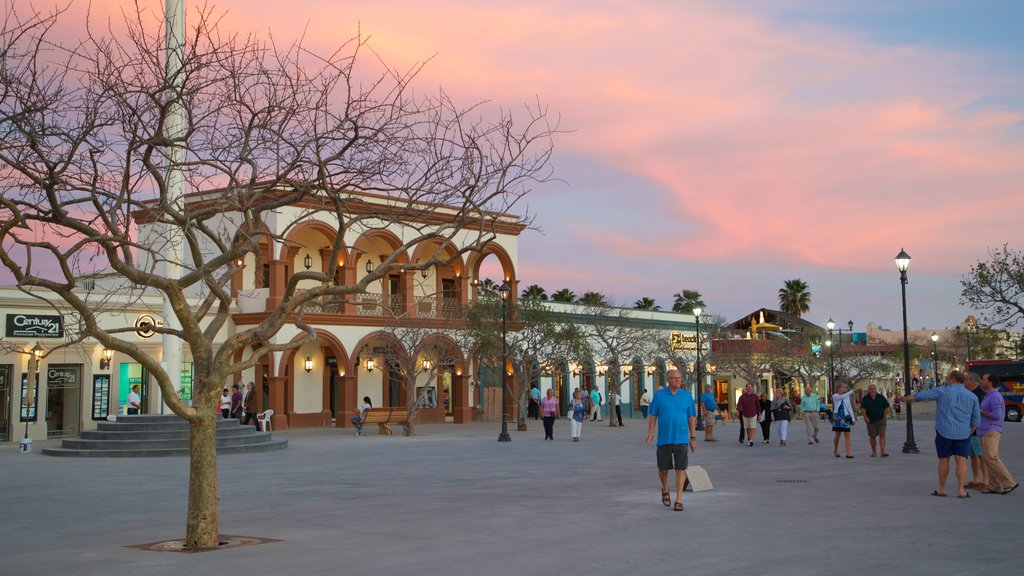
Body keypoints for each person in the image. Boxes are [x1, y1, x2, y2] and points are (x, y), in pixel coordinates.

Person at [903, 370, 980, 498]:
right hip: (963, 433)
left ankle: (942, 488)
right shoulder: (972, 396)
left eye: (948, 378)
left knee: (944, 460)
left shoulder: (942, 391)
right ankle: (961, 490)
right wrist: (969, 431)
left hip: (944, 431)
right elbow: (976, 420)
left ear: (952, 379)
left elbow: (923, 395)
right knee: (961, 460)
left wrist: (908, 398)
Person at [645, 369, 697, 512]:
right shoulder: (659, 396)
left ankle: (679, 499)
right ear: (668, 380)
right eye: (675, 378)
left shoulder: (687, 396)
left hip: (681, 439)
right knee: (663, 470)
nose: (678, 381)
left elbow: (691, 418)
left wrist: (692, 438)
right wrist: (650, 433)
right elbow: (653, 416)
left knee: (680, 468)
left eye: (680, 378)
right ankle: (665, 488)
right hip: (664, 439)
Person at [978, 373, 1018, 494]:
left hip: (991, 430)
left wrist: (980, 412)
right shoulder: (989, 395)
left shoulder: (995, 396)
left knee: (991, 457)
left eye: (983, 379)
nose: (981, 381)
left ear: (989, 382)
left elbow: (998, 416)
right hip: (985, 430)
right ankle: (995, 485)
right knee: (987, 458)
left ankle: (1009, 482)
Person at [964, 374, 987, 489]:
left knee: (981, 455)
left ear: (972, 381)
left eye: (966, 379)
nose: (964, 381)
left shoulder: (979, 394)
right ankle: (976, 479)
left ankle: (986, 481)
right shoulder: (972, 393)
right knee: (973, 455)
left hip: (978, 430)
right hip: (971, 430)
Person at [860, 384, 890, 457]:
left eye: (874, 389)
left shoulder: (881, 397)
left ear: (876, 389)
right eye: (871, 389)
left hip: (881, 419)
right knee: (872, 436)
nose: (872, 390)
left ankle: (883, 452)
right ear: (868, 390)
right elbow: (863, 409)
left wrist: (884, 416)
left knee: (882, 435)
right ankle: (874, 452)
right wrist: (865, 417)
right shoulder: (865, 399)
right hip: (870, 420)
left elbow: (887, 408)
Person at [832, 383, 856, 458]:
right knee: (837, 435)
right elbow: (841, 397)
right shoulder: (835, 396)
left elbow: (849, 407)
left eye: (845, 387)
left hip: (846, 416)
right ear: (838, 388)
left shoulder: (847, 397)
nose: (844, 388)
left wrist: (853, 418)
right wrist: (852, 391)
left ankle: (848, 453)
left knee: (847, 435)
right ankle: (836, 449)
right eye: (843, 387)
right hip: (837, 417)